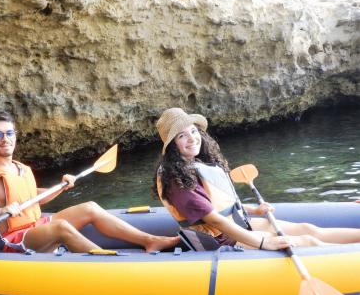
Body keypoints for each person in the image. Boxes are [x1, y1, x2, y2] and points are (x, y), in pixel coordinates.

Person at [0, 109, 179, 253]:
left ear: (15, 135)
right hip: (13, 239)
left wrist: (61, 186)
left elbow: (32, 197)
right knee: (61, 226)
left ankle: (149, 240)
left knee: (90, 207)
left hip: (35, 226)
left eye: (9, 133)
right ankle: (108, 261)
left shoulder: (21, 168)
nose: (5, 139)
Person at [153, 107, 360, 250]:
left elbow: (220, 207)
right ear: (172, 145)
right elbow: (213, 219)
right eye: (182, 136)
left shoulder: (192, 165)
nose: (192, 138)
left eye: (193, 131)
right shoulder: (176, 180)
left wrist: (253, 210)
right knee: (308, 241)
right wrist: (262, 243)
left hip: (237, 226)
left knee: (308, 229)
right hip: (224, 242)